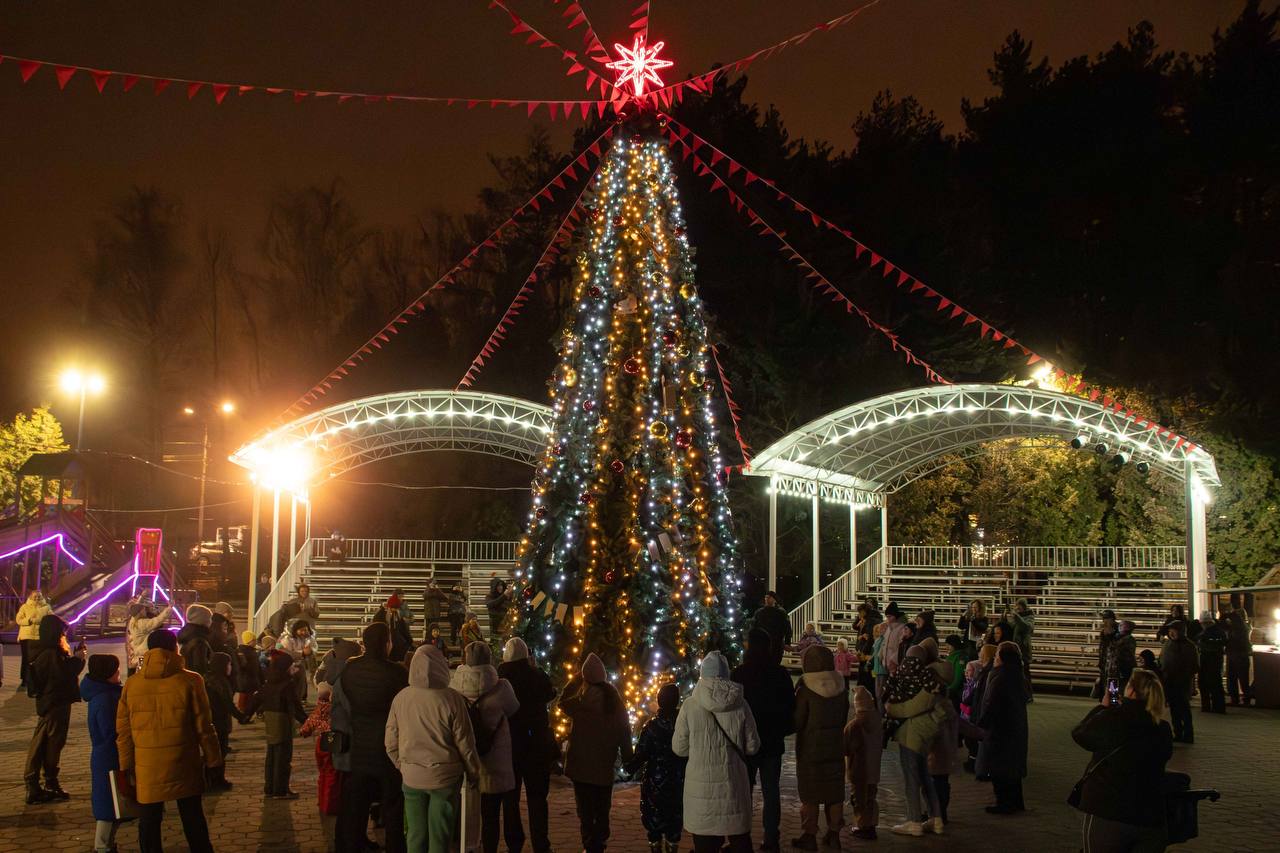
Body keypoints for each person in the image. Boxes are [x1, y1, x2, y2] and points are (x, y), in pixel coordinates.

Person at [117, 628, 220, 853]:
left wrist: (125, 766)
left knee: (149, 822)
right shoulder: (191, 680)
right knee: (193, 818)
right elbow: (204, 726)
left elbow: (124, 731)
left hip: (147, 766)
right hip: (183, 761)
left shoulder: (133, 684)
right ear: (175, 648)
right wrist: (213, 760)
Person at [387, 644, 482, 853]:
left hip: (411, 776)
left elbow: (390, 740)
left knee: (415, 834)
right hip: (445, 777)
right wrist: (474, 772)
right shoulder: (452, 699)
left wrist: (402, 764)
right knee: (440, 836)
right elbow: (465, 742)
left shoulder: (402, 698)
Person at [1071, 669, 1173, 851]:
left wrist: (1103, 707)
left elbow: (1081, 734)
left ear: (1131, 691)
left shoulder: (1114, 718)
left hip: (1109, 810)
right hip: (1150, 814)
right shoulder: (1162, 728)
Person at [673, 651, 760, 853]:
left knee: (705, 845)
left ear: (703, 673)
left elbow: (679, 748)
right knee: (739, 840)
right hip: (734, 787)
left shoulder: (690, 706)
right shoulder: (741, 704)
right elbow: (753, 746)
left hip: (701, 791)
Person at [334, 622, 409, 853]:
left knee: (354, 808)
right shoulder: (396, 673)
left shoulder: (349, 670)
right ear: (386, 643)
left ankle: (350, 846)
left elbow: (342, 707)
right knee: (393, 808)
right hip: (388, 752)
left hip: (358, 750)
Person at [451, 641, 520, 853]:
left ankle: (471, 845)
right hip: (496, 759)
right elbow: (514, 709)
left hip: (466, 757)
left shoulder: (454, 688)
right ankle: (495, 847)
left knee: (468, 810)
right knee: (494, 813)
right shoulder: (502, 687)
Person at [561, 653, 634, 853]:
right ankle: (599, 843)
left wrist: (577, 677)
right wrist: (628, 759)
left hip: (580, 767)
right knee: (602, 809)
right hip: (603, 765)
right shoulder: (614, 700)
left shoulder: (579, 701)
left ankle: (589, 844)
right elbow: (624, 730)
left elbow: (562, 701)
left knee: (584, 810)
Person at [731, 627, 795, 852]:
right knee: (771, 791)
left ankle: (741, 837)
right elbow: (790, 708)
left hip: (745, 743)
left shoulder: (740, 674)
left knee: (743, 791)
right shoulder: (780, 673)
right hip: (772, 741)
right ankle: (771, 838)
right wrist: (782, 730)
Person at [498, 638, 558, 853]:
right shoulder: (536, 675)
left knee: (511, 798)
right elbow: (551, 692)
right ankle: (541, 843)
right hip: (536, 744)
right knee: (537, 797)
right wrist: (536, 668)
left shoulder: (500, 678)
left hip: (510, 744)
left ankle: (514, 842)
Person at [790, 644, 848, 850]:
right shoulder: (841, 684)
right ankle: (834, 833)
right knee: (834, 791)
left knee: (810, 793)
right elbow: (843, 717)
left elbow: (798, 721)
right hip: (835, 747)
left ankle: (810, 834)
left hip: (811, 748)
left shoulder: (806, 688)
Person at [884, 645, 945, 836]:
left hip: (912, 734)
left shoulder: (921, 681)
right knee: (925, 776)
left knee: (911, 777)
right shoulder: (933, 679)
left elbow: (908, 708)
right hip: (926, 734)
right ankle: (936, 818)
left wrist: (890, 709)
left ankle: (914, 820)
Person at [25, 613, 86, 803]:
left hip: (51, 703)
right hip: (55, 704)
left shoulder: (46, 651)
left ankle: (40, 784)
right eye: (62, 634)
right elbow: (62, 676)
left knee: (45, 743)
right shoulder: (50, 654)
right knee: (50, 744)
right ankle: (44, 783)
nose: (64, 638)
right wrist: (78, 660)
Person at [626, 683, 687, 853]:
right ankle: (672, 847)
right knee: (674, 822)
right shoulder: (683, 725)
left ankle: (656, 848)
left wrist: (628, 769)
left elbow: (641, 754)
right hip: (678, 780)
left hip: (655, 781)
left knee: (654, 824)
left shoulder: (651, 726)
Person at [976, 642, 1029, 815]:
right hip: (1014, 727)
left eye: (998, 655)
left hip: (1000, 728)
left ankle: (1004, 803)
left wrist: (982, 724)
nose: (995, 657)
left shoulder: (1000, 676)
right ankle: (1015, 802)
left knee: (1000, 767)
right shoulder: (1017, 675)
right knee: (1012, 768)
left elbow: (992, 703)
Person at [82, 654, 123, 853]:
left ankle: (106, 844)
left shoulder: (104, 694)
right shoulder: (106, 699)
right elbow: (111, 731)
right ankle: (102, 846)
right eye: (115, 670)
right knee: (108, 805)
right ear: (107, 674)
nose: (119, 673)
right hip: (109, 756)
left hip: (105, 755)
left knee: (113, 804)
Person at [301, 682, 342, 853]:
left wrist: (304, 731)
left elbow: (309, 724)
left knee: (323, 774)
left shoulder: (319, 709)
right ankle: (330, 804)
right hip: (332, 741)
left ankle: (322, 800)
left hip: (320, 743)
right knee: (332, 774)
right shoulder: (334, 709)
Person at [205, 651, 250, 791]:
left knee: (213, 751)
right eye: (229, 664)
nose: (231, 667)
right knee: (220, 751)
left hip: (211, 720)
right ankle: (217, 781)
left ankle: (212, 779)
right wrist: (241, 716)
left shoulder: (207, 678)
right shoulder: (220, 681)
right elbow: (227, 704)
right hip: (219, 721)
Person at [843, 685, 882, 841]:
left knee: (859, 798)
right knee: (871, 796)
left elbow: (845, 748)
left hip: (858, 769)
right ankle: (871, 824)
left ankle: (862, 825)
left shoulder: (854, 725)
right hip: (874, 768)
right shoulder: (877, 721)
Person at [1159, 621, 1199, 744]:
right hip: (1169, 681)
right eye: (1170, 630)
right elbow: (1162, 660)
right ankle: (1178, 733)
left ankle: (1188, 734)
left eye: (1174, 630)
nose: (1171, 633)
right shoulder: (1168, 644)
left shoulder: (1189, 646)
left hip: (1182, 682)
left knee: (1184, 709)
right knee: (1174, 709)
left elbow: (1195, 666)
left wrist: (1185, 675)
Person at [960, 642, 997, 772]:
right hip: (977, 710)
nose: (979, 654)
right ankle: (974, 763)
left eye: (982, 652)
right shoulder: (984, 671)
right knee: (972, 739)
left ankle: (976, 764)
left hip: (980, 712)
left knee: (975, 739)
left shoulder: (988, 673)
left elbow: (982, 695)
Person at [15, 590, 53, 688]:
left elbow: (51, 619)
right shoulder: (24, 607)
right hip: (26, 637)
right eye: (35, 596)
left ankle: (36, 679)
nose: (37, 598)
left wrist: (40, 621)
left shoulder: (47, 608)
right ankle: (24, 679)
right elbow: (18, 620)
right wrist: (29, 620)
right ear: (31, 597)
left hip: (39, 637)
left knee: (38, 660)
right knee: (26, 659)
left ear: (42, 597)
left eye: (39, 596)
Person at [125, 597, 172, 675]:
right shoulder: (142, 623)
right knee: (143, 672)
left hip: (137, 652)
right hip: (143, 653)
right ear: (140, 612)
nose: (145, 611)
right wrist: (169, 608)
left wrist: (141, 597)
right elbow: (158, 620)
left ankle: (135, 682)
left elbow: (135, 609)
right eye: (143, 610)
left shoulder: (133, 621)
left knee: (138, 673)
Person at [277, 618, 317, 704]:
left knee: (301, 681)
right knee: (292, 684)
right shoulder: (286, 638)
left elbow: (313, 647)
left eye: (305, 630)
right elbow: (285, 653)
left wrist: (310, 650)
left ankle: (300, 699)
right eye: (301, 630)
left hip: (298, 664)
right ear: (295, 630)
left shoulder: (307, 637)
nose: (304, 632)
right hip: (286, 665)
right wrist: (302, 653)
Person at [1196, 610, 1227, 714]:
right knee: (1213, 684)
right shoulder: (1216, 631)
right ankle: (1215, 707)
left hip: (1211, 661)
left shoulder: (1209, 633)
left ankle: (1211, 707)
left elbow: (1216, 644)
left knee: (1211, 684)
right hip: (1210, 660)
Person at [1224, 603, 1253, 706]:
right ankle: (1240, 698)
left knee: (1239, 678)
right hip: (1236, 654)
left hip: (1238, 654)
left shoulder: (1241, 627)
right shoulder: (1242, 627)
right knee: (1237, 678)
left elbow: (1235, 639)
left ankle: (1241, 698)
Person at [750, 591, 793, 661]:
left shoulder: (781, 612)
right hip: (762, 644)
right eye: (765, 597)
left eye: (769, 597)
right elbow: (754, 626)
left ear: (774, 599)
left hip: (776, 644)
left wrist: (787, 642)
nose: (766, 599)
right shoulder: (759, 612)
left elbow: (787, 628)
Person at [178, 604, 215, 676]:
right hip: (196, 682)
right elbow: (200, 668)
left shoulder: (187, 636)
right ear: (203, 620)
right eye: (209, 618)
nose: (211, 621)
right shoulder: (200, 641)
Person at [375, 595, 415, 662]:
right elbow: (376, 624)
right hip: (387, 642)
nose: (394, 610)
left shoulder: (397, 616)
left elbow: (404, 631)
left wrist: (410, 641)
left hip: (396, 643)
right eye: (393, 608)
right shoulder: (382, 614)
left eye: (396, 608)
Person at [1008, 599, 1035, 691]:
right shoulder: (1016, 617)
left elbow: (1026, 627)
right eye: (1016, 607)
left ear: (1024, 607)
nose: (1017, 609)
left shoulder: (1030, 617)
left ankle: (1028, 693)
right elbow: (1010, 627)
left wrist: (1016, 616)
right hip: (1015, 647)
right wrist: (1004, 617)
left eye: (1019, 607)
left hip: (1024, 648)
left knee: (1025, 672)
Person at [235, 629, 264, 714]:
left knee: (249, 696)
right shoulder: (242, 651)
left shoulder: (253, 651)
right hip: (246, 678)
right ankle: (243, 713)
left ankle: (246, 712)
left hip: (252, 678)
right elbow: (242, 665)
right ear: (248, 641)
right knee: (245, 696)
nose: (255, 642)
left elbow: (257, 666)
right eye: (253, 640)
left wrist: (261, 678)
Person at [879, 602, 910, 677]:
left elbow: (901, 647)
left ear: (895, 616)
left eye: (890, 616)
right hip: (887, 664)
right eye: (887, 617)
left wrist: (893, 661)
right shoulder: (889, 628)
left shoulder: (902, 628)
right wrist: (881, 656)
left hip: (895, 665)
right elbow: (884, 644)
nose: (888, 619)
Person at [1108, 619, 1137, 698]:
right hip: (1114, 669)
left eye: (1121, 625)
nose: (1119, 627)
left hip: (1123, 669)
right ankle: (1113, 703)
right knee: (1113, 690)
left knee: (1121, 691)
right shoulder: (1118, 637)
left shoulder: (1128, 639)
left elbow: (1115, 647)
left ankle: (1117, 704)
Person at [1093, 609, 1119, 699]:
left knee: (1112, 690)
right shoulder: (1104, 632)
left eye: (1106, 618)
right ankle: (1105, 703)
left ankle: (1113, 703)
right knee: (1104, 689)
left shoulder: (1118, 631)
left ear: (1112, 619)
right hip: (1105, 665)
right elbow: (1102, 648)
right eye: (1103, 618)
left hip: (1113, 667)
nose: (1104, 621)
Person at [869, 622, 889, 709]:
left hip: (883, 670)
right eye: (879, 628)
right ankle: (880, 712)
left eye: (882, 628)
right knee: (878, 694)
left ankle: (882, 714)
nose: (880, 630)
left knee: (881, 694)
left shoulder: (887, 639)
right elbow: (875, 653)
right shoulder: (878, 639)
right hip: (877, 669)